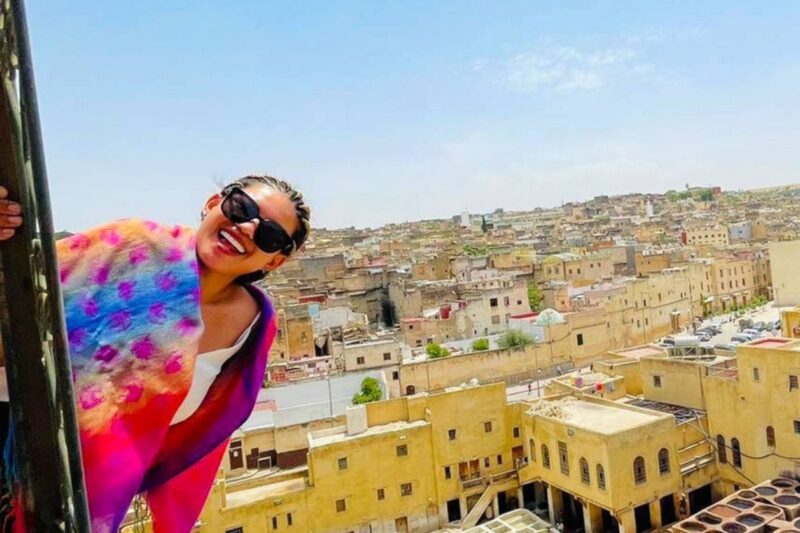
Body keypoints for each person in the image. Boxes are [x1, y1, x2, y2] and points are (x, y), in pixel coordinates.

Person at [0, 176, 310, 533]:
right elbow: (18, 294)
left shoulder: (254, 327)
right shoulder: (130, 247)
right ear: (213, 203)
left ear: (274, 261)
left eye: (269, 235)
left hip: (86, 502)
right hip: (14, 466)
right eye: (242, 208)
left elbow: (201, 431)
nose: (245, 228)